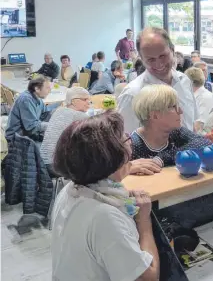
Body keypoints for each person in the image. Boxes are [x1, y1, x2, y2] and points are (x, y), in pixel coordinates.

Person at [51, 111, 160, 280]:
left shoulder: (70, 190)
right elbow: (150, 278)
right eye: (126, 140)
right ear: (109, 159)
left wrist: (125, 173)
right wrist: (144, 222)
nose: (130, 144)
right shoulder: (104, 217)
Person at [129, 85, 213, 175]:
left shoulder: (176, 132)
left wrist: (162, 158)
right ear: (155, 115)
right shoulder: (131, 145)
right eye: (173, 107)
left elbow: (204, 142)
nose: (180, 111)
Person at [117, 27, 197, 133]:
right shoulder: (133, 95)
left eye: (163, 56)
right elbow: (127, 141)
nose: (158, 64)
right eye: (150, 59)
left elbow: (192, 123)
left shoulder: (184, 81)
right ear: (141, 58)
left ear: (172, 50)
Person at [40, 87, 90, 175]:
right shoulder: (80, 116)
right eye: (84, 99)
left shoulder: (58, 110)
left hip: (43, 161)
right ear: (74, 101)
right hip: (56, 165)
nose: (88, 102)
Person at [5, 76, 51, 142]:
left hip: (26, 134)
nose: (50, 91)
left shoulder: (37, 98)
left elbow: (44, 114)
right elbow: (31, 126)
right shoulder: (26, 99)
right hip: (16, 138)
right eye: (47, 88)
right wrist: (52, 125)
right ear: (37, 89)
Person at [185, 67, 213, 133]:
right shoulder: (193, 95)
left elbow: (199, 125)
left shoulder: (205, 97)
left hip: (203, 136)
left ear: (189, 82)